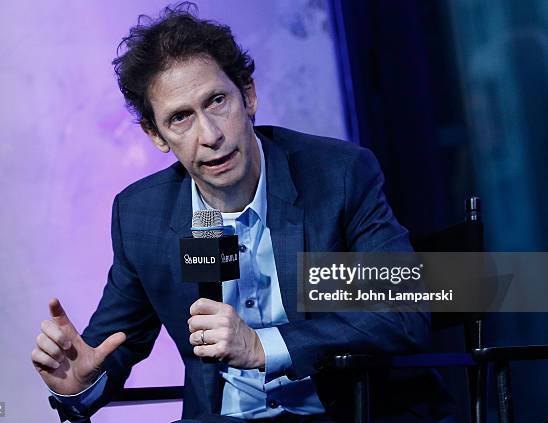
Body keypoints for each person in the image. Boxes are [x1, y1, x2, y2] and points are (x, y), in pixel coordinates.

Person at [31, 4, 453, 422]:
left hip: (341, 412)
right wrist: (78, 384)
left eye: (216, 101)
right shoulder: (142, 215)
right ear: (155, 135)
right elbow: (110, 350)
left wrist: (262, 346)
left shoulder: (336, 177)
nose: (210, 135)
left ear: (248, 95)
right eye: (180, 118)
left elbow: (402, 312)